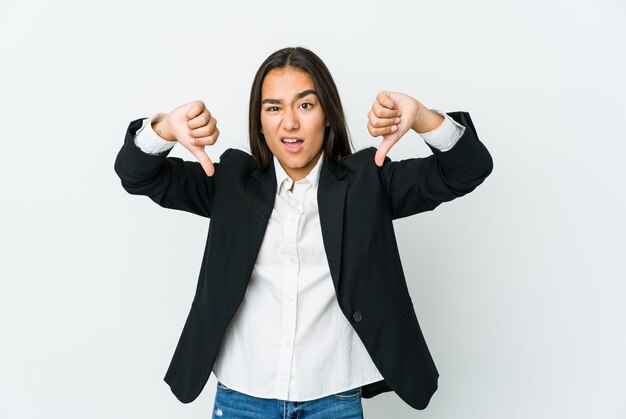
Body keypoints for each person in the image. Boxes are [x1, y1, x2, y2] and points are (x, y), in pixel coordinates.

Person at [114, 46, 493, 418]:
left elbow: (467, 170)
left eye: (306, 105)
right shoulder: (231, 182)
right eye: (273, 107)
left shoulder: (367, 182)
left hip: (333, 399)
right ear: (259, 120)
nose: (289, 122)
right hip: (242, 397)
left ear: (327, 114)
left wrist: (424, 118)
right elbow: (136, 175)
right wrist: (163, 127)